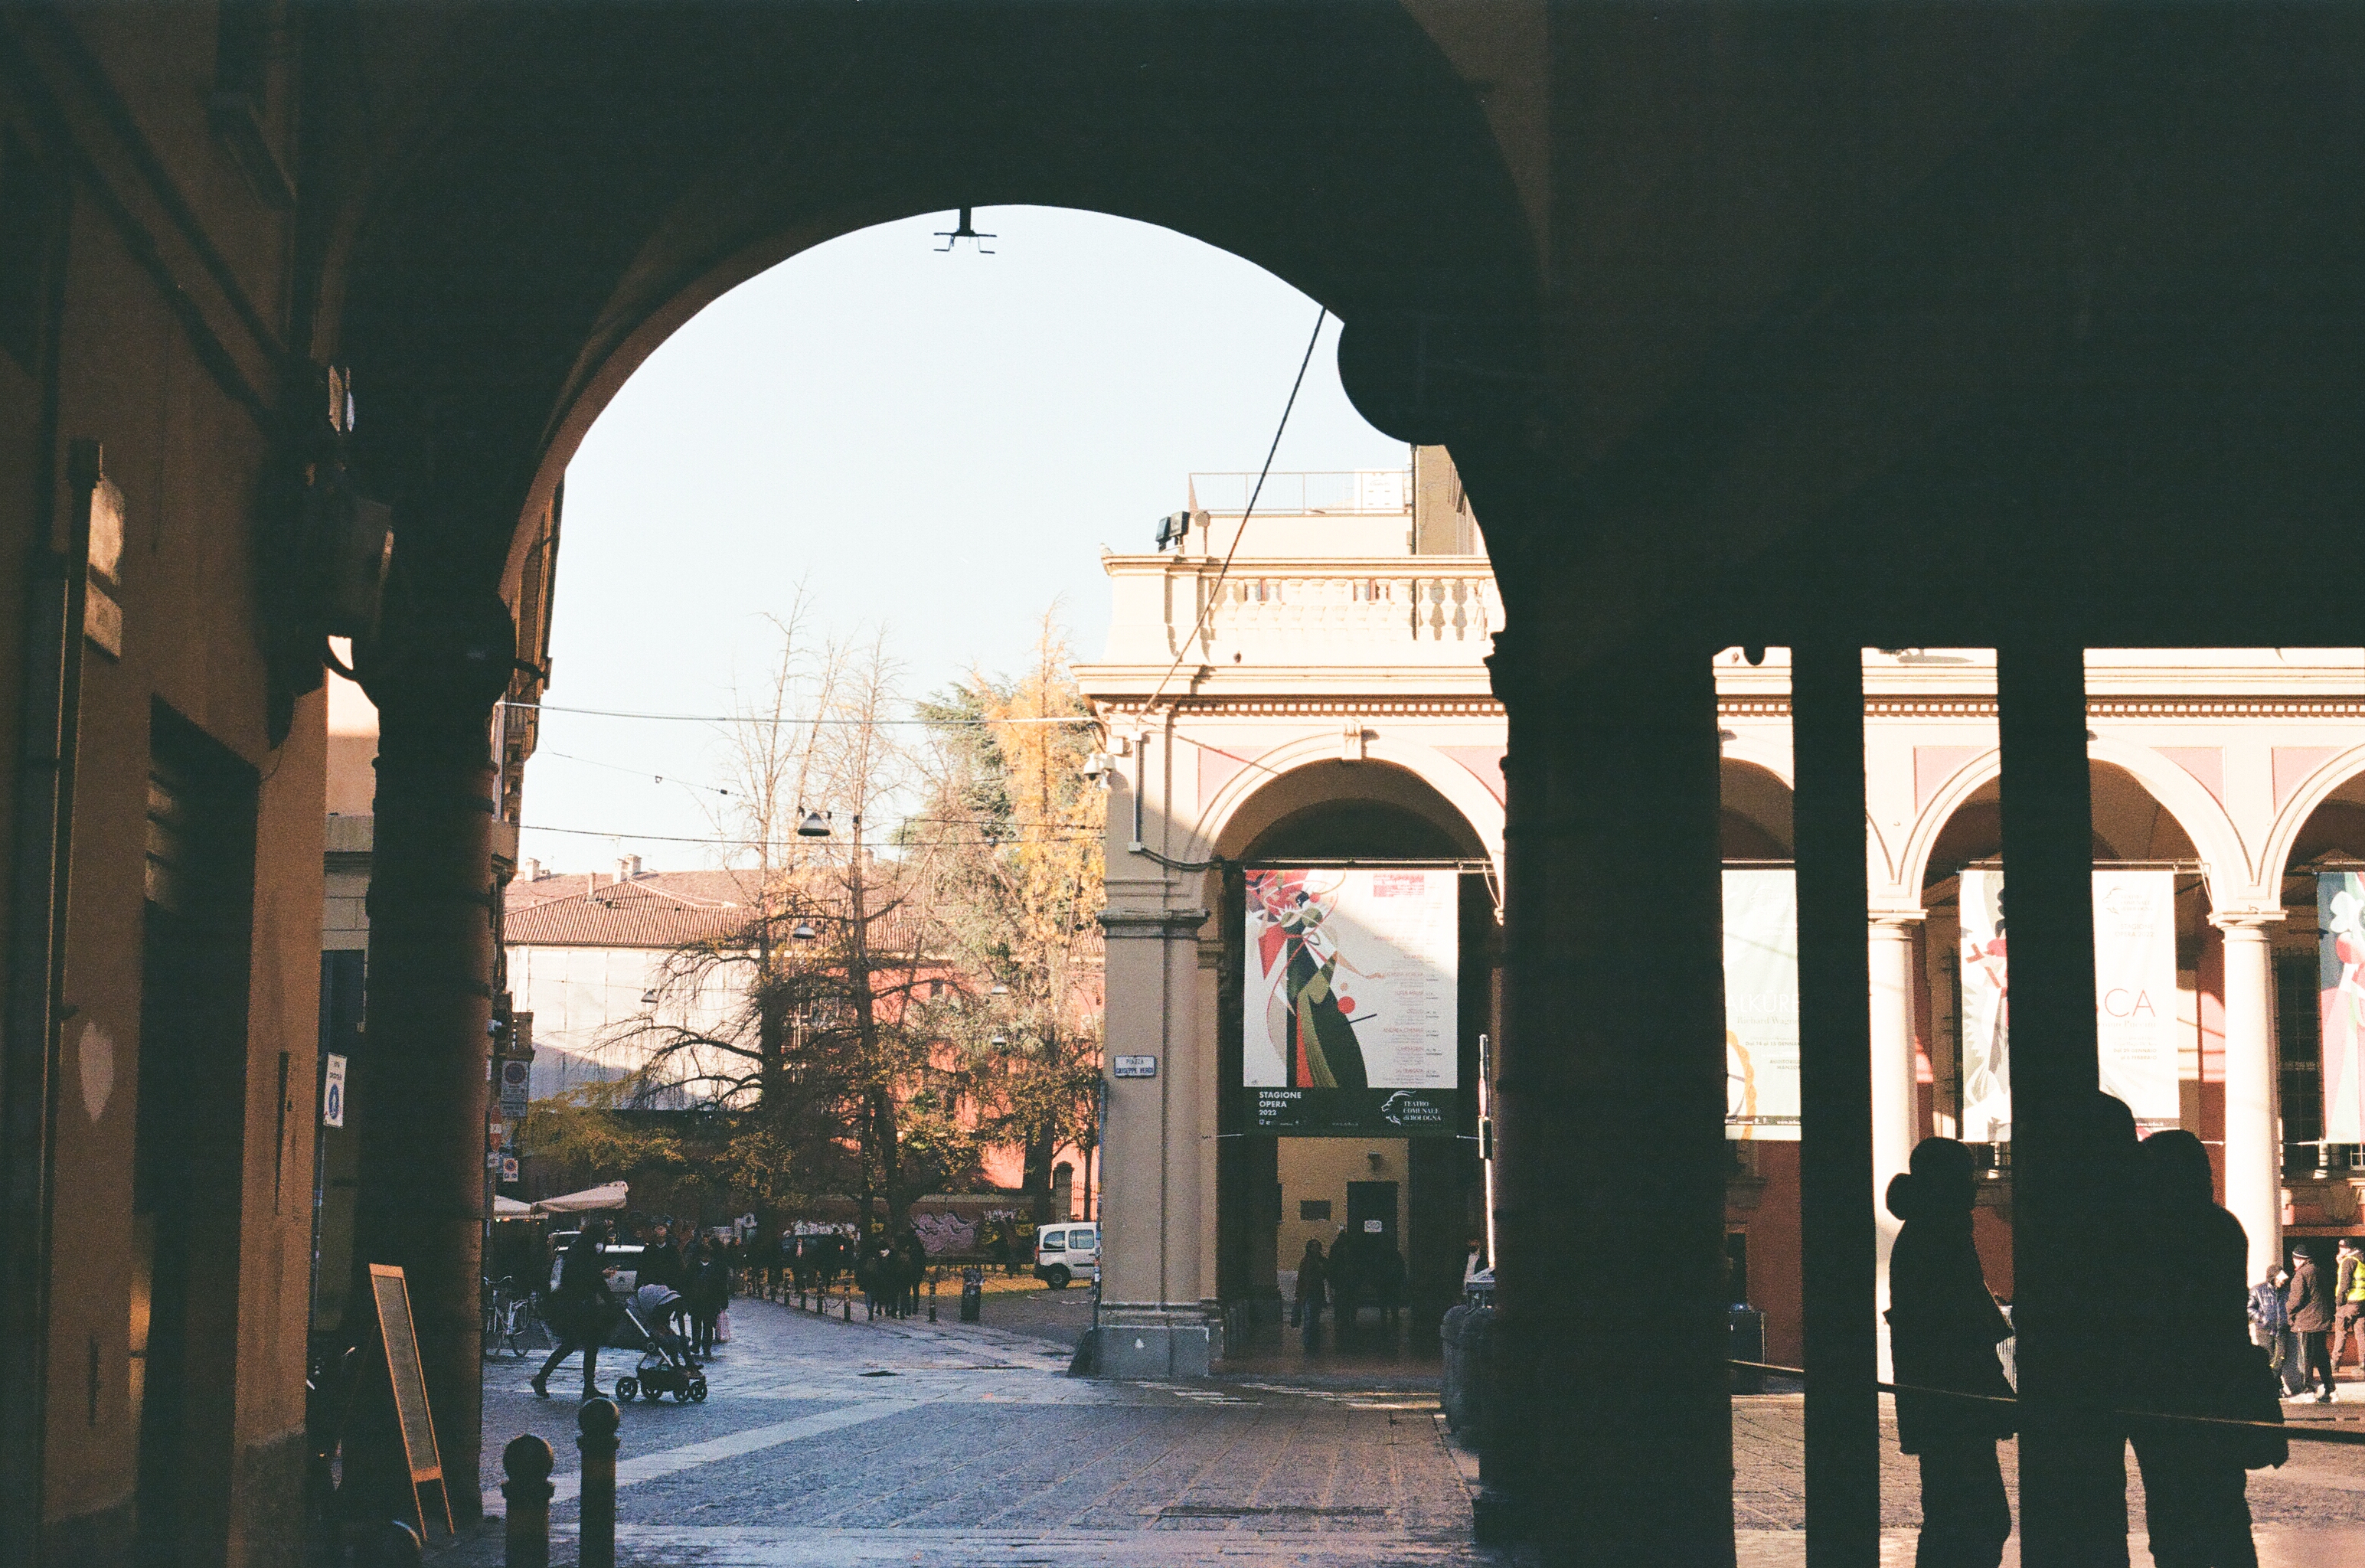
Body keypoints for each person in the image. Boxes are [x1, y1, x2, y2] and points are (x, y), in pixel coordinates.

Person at [2128, 1129, 2261, 1568]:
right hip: (2220, 1383)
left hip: (2166, 1389)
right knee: (2224, 1509)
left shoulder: (2153, 1232)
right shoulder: (2222, 1226)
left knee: (2172, 1514)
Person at [1886, 1137, 2014, 1568]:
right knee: (1974, 1519)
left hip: (1941, 1403)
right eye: (1967, 1177)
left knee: (1958, 1518)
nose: (1975, 1186)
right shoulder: (1939, 1236)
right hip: (1953, 1402)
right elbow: (1957, 1330)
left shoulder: (1931, 1231)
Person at [532, 1220, 622, 1399]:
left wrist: (609, 1298)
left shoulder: (585, 1249)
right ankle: (585, 1387)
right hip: (577, 1305)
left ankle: (545, 1378)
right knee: (584, 1344)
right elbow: (578, 1276)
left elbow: (594, 1279)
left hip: (580, 1304)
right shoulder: (582, 1250)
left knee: (574, 1344)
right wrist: (601, 1277)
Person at [2287, 1245, 2336, 1403]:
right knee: (2322, 1357)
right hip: (2321, 1321)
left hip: (2306, 1322)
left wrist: (2289, 1313)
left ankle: (2307, 1391)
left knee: (2305, 1358)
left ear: (2299, 1259)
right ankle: (2331, 1390)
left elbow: (2296, 1300)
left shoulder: (2301, 1275)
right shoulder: (2320, 1271)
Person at [2248, 1265, 2296, 1397]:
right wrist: (2262, 1318)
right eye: (2279, 1279)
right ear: (2272, 1278)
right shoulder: (2258, 1290)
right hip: (2265, 1331)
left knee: (2279, 1360)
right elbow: (2249, 1308)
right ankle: (2276, 1387)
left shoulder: (2286, 1291)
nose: (2282, 1282)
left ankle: (2271, 1386)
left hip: (2282, 1330)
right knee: (2268, 1360)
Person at [688, 1236, 731, 1356]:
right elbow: (687, 1284)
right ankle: (696, 1345)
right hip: (697, 1300)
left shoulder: (718, 1267)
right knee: (696, 1324)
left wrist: (723, 1302)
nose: (706, 1257)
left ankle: (706, 1347)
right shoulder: (693, 1266)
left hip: (710, 1301)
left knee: (707, 1325)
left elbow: (722, 1286)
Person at [2334, 1239, 2364, 1380]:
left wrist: (2339, 1302)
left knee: (2341, 1332)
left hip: (2349, 1303)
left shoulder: (2349, 1261)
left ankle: (2335, 1363)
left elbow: (2345, 1284)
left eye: (2341, 1247)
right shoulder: (2361, 1260)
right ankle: (2363, 1365)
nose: (2339, 1249)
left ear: (2347, 1248)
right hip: (2362, 1302)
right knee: (2361, 1334)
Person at [1294, 1239, 1327, 1342]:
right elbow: (1301, 1277)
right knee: (1309, 1317)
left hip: (1317, 1292)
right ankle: (1308, 1340)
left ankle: (1313, 1339)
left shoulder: (1322, 1261)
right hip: (1307, 1292)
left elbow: (1326, 1273)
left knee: (1315, 1317)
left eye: (1317, 1246)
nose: (1315, 1249)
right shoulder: (1306, 1261)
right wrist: (1298, 1294)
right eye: (1313, 1247)